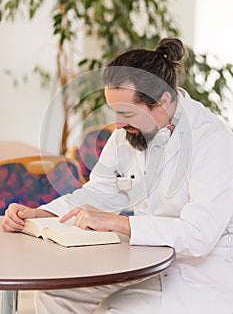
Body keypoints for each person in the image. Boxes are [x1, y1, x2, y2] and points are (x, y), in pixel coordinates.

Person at [2, 38, 233, 314]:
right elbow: (98, 193)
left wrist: (120, 224)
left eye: (126, 113)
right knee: (55, 296)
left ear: (163, 102)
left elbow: (199, 235)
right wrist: (41, 213)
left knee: (114, 310)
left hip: (198, 273)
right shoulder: (129, 134)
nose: (117, 123)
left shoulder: (213, 142)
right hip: (144, 258)